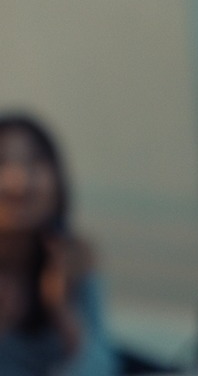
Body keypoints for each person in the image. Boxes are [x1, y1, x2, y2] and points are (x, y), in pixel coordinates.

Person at [0, 111, 117, 375]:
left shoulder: (71, 257)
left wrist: (62, 313)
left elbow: (103, 369)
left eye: (34, 162)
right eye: (1, 162)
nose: (19, 181)